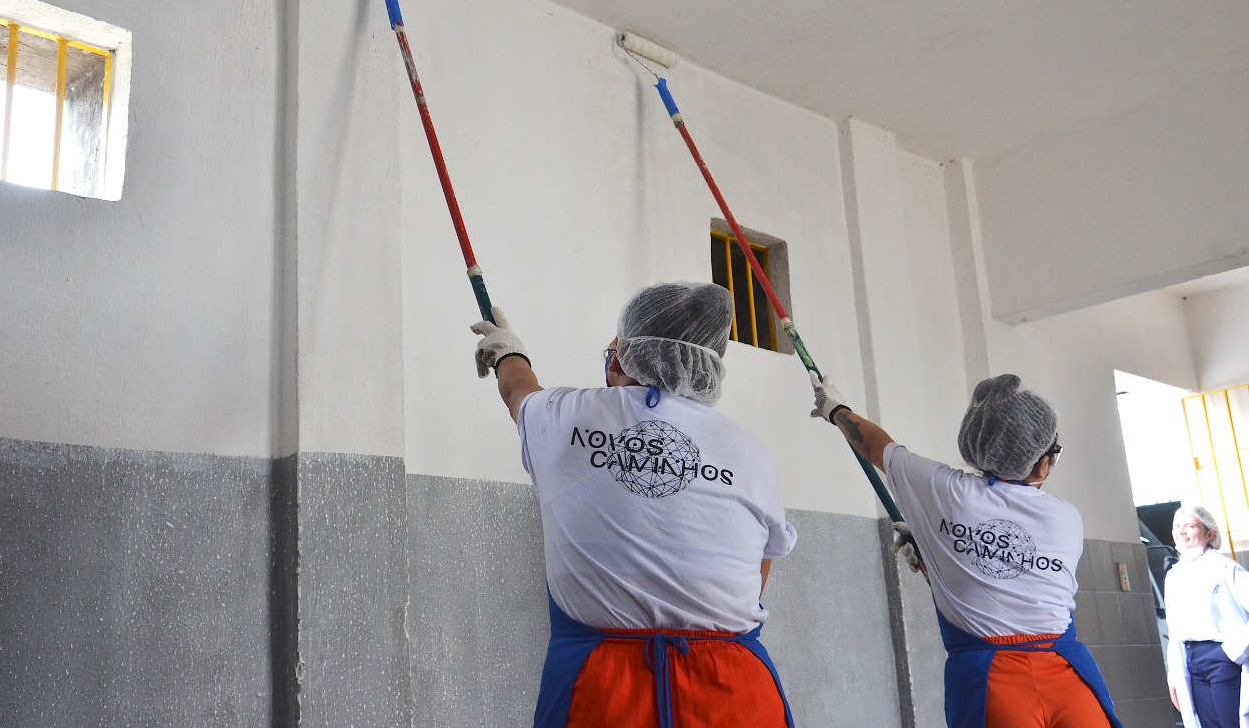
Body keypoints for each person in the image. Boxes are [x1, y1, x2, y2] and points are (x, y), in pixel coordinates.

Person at [471, 281, 798, 728]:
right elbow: (763, 559)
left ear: (623, 355)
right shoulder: (750, 453)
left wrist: (509, 351)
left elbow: (518, 391)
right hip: (736, 693)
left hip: (603, 693)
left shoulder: (568, 417)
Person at [812, 372, 1123, 728]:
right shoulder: (1067, 518)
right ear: (1041, 462)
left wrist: (836, 409)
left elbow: (875, 444)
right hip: (1068, 677)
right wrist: (935, 551)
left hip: (991, 682)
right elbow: (1012, 577)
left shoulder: (942, 491)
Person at [1165, 504, 1249, 727]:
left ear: (1209, 534)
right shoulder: (1174, 575)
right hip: (1191, 661)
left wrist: (1234, 651)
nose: (1181, 531)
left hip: (1222, 658)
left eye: (1190, 526)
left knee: (1232, 722)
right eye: (1177, 525)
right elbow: (1174, 629)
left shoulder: (1225, 568)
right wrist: (1174, 673)